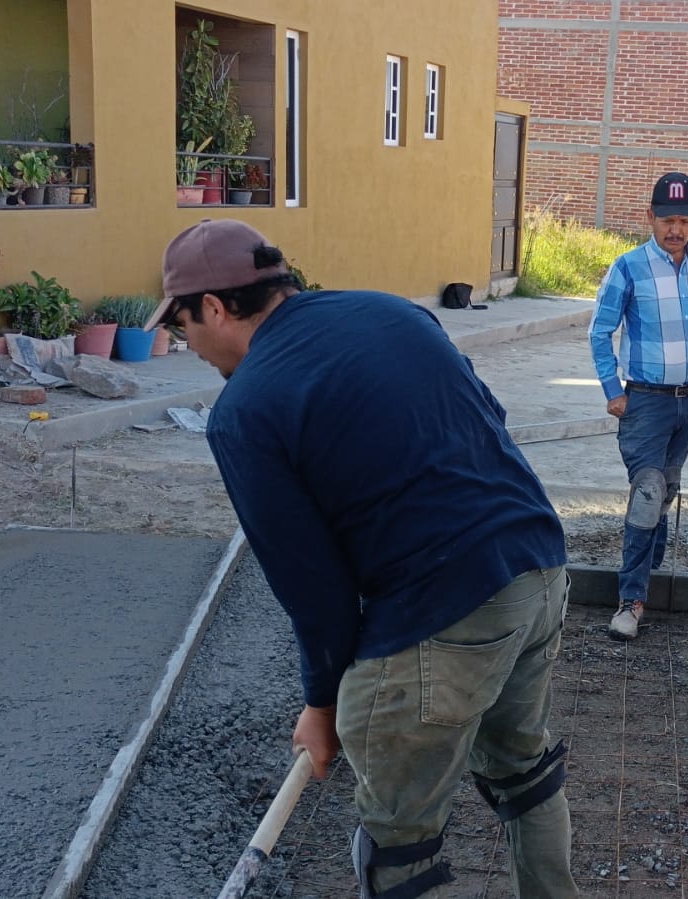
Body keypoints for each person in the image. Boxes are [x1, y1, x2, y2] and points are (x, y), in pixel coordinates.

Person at [155, 219, 578, 898]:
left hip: (438, 609)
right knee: (524, 773)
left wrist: (323, 704)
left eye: (182, 327)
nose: (188, 347)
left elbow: (314, 589)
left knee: (399, 847)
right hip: (536, 563)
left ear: (212, 306)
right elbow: (485, 420)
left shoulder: (245, 409)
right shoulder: (391, 312)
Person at [589, 171, 688, 641]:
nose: (676, 229)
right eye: (667, 220)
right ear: (650, 217)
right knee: (647, 492)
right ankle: (630, 600)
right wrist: (613, 389)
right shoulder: (628, 268)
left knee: (664, 492)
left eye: (685, 220)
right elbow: (598, 331)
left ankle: (645, 578)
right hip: (645, 404)